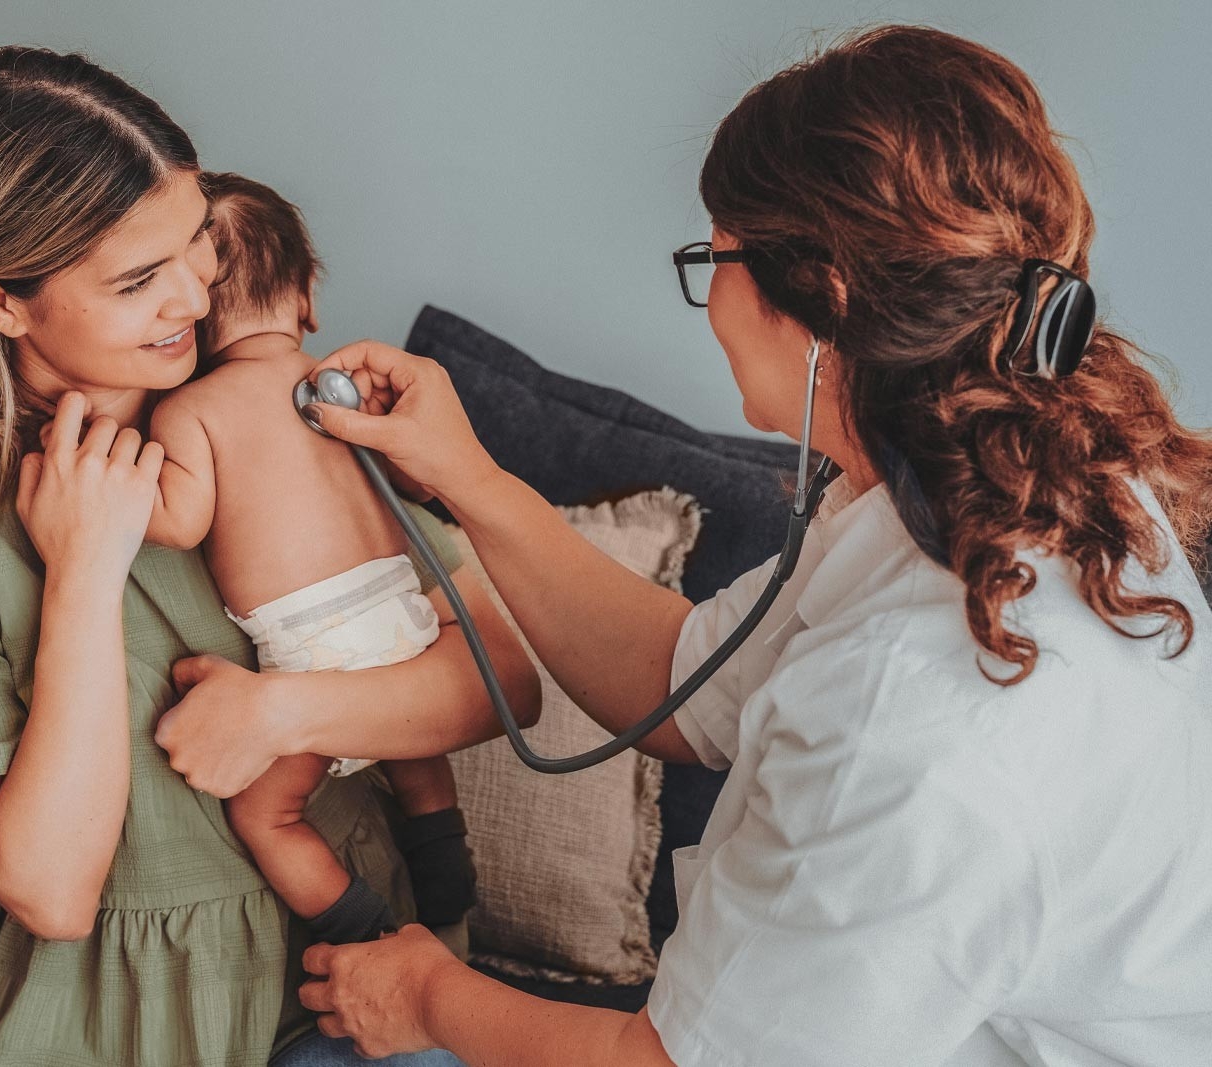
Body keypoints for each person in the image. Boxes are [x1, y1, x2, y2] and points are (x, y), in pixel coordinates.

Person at [156, 25, 1212, 1067]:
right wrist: (469, 477)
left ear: (823, 297)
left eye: (717, 257)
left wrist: (429, 994)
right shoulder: (1000, 489)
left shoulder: (914, 710)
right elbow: (680, 679)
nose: (709, 296)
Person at [0, 46, 535, 1067]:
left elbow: (500, 678)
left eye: (195, 248)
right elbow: (54, 887)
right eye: (135, 280)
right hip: (114, 1016)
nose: (194, 301)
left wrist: (278, 714)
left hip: (356, 971)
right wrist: (81, 568)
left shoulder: (272, 406)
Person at [145, 171, 495, 948]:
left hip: (313, 651)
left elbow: (180, 519)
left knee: (266, 814)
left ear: (193, 316)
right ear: (305, 296)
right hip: (402, 620)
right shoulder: (335, 393)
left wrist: (126, 480)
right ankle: (445, 872)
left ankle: (364, 934)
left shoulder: (188, 410)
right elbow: (414, 483)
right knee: (416, 763)